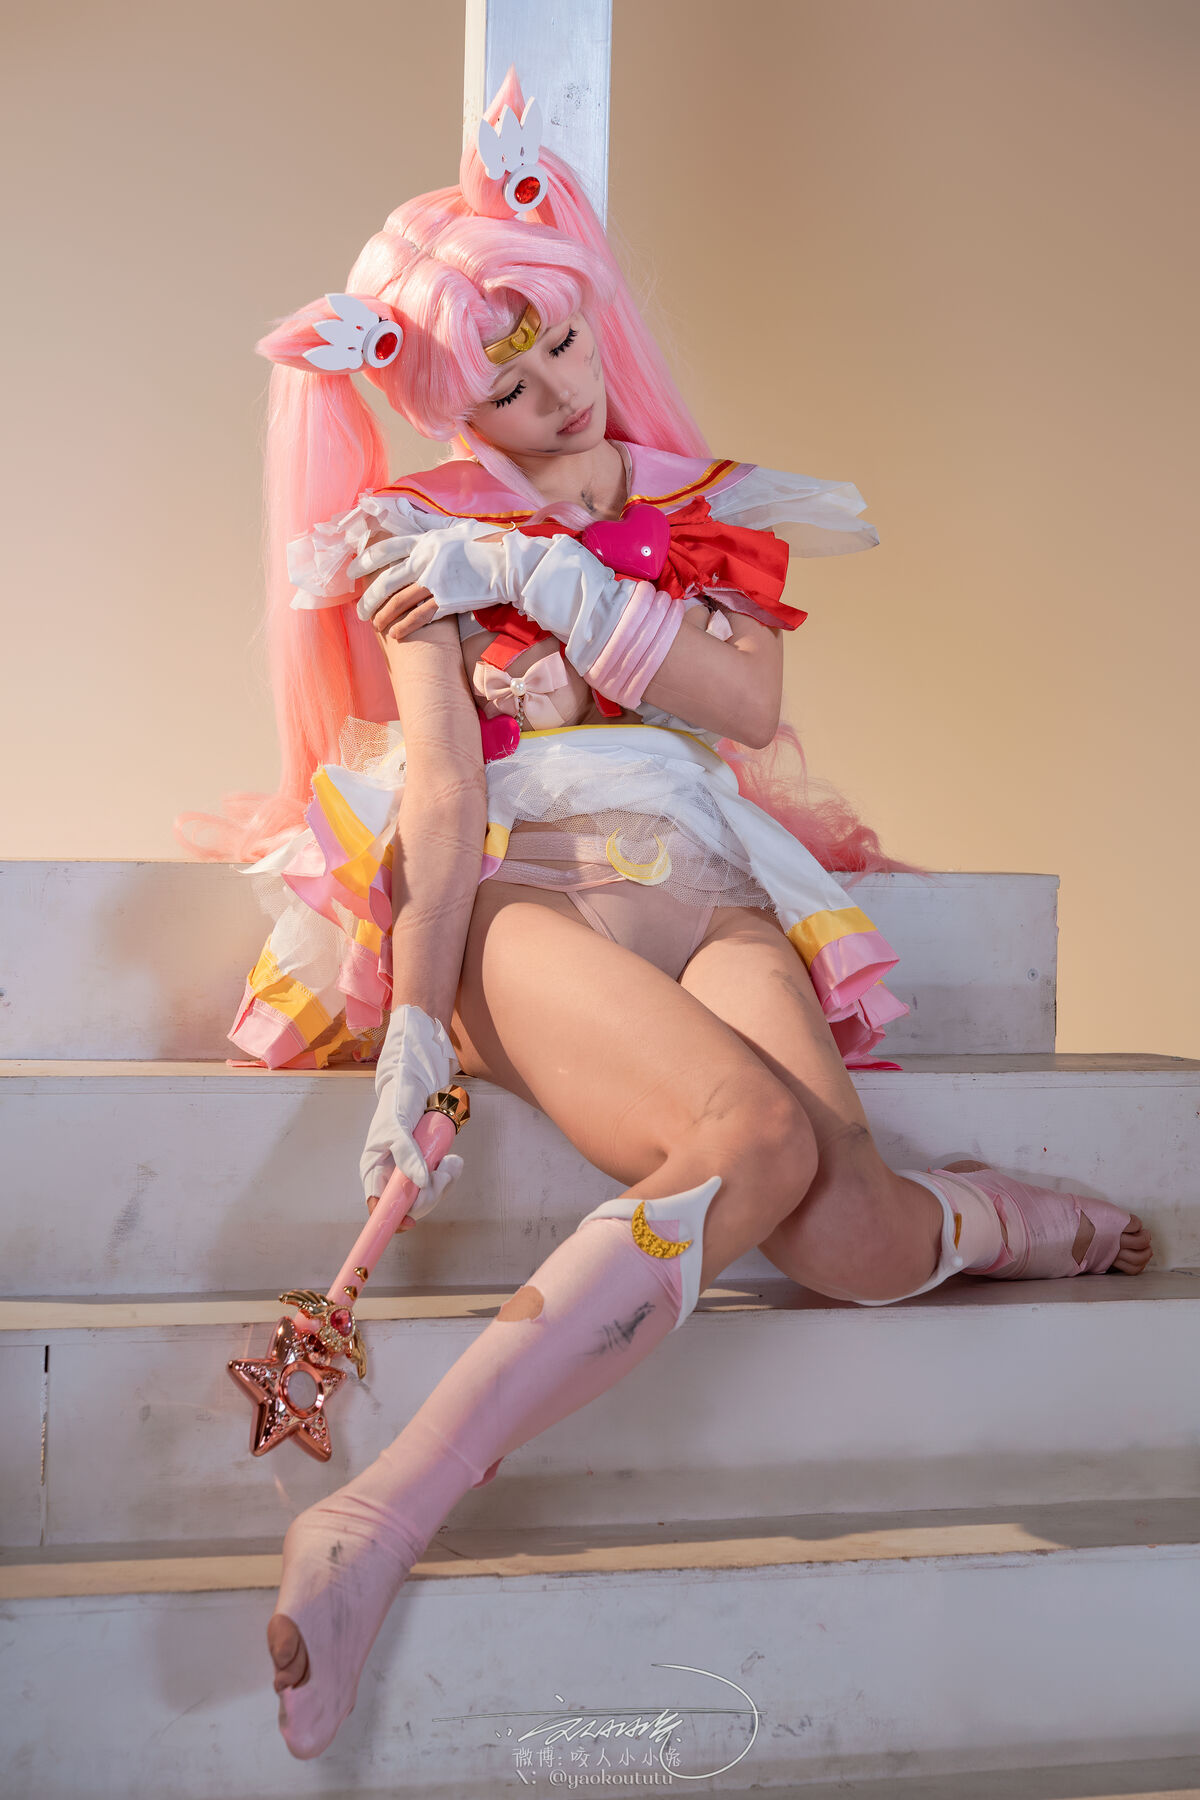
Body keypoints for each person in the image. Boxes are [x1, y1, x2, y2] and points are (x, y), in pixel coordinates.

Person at [176, 68, 1153, 1760]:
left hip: (703, 885)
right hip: (522, 897)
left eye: (560, 343)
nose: (552, 391)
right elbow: (442, 791)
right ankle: (373, 1519)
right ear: (441, 402)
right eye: (502, 381)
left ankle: (1000, 1218)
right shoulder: (417, 534)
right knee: (751, 1135)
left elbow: (747, 703)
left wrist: (554, 578)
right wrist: (415, 1022)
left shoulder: (701, 510)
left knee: (850, 1240)